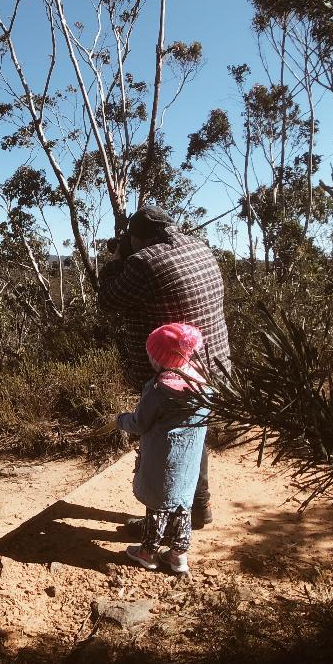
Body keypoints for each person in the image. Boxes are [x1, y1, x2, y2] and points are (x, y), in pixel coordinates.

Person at [98, 204, 230, 529]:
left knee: (164, 444)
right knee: (192, 435)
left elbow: (108, 300)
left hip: (173, 372)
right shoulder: (200, 246)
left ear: (139, 238)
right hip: (213, 363)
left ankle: (162, 522)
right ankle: (198, 506)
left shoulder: (143, 261)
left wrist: (117, 261)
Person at [118, 322, 210, 577]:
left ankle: (148, 552)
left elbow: (139, 423)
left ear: (159, 359)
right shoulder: (203, 383)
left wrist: (120, 420)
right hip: (189, 462)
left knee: (157, 506)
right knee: (182, 505)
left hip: (162, 460)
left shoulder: (159, 389)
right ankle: (179, 556)